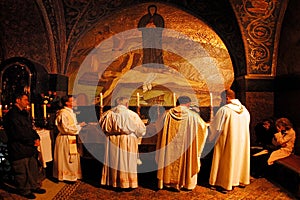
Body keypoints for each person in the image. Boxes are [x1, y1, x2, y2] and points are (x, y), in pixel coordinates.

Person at [155, 96, 208, 191]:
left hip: (170, 146)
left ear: (177, 103)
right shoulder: (193, 116)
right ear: (188, 104)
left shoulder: (167, 114)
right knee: (189, 158)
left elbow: (157, 127)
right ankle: (187, 184)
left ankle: (168, 183)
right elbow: (203, 128)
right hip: (186, 147)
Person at [3, 93, 46, 199]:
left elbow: (30, 128)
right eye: (25, 100)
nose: (27, 102)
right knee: (22, 170)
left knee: (32, 167)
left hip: (28, 147)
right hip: (18, 147)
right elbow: (18, 133)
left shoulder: (24, 114)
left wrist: (37, 137)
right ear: (18, 100)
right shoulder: (11, 115)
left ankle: (34, 185)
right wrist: (31, 142)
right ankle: (24, 189)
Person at [208, 89, 250, 193]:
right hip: (241, 141)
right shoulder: (245, 110)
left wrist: (210, 135)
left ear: (227, 98)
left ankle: (224, 184)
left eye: (222, 99)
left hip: (228, 141)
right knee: (238, 160)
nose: (221, 102)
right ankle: (239, 180)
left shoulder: (224, 110)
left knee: (227, 161)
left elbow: (216, 127)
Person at [99, 97, 146, 189]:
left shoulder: (107, 114)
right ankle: (127, 183)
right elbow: (141, 130)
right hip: (127, 139)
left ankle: (113, 181)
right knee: (127, 161)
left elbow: (102, 126)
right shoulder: (132, 114)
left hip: (112, 139)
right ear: (127, 104)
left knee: (113, 160)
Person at [53, 95, 86, 182]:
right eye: (73, 101)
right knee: (67, 158)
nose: (75, 102)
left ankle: (72, 175)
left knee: (73, 157)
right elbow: (66, 128)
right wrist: (79, 126)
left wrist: (78, 125)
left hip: (71, 137)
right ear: (67, 103)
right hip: (65, 138)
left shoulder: (71, 112)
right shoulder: (63, 113)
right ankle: (66, 176)